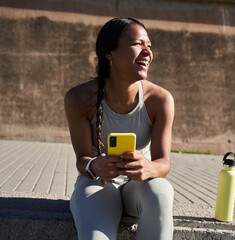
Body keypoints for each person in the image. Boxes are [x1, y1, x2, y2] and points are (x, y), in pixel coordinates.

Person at [64, 17, 175, 240]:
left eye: (149, 46)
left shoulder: (160, 99)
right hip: (97, 184)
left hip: (140, 187)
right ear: (110, 53)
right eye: (137, 44)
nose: (147, 52)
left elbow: (163, 163)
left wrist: (149, 168)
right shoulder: (79, 98)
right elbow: (81, 160)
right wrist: (94, 165)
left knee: (161, 191)